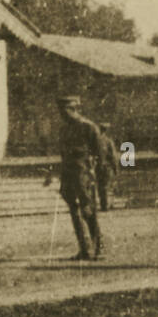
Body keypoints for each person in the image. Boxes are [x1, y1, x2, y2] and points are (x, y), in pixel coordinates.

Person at [55, 95, 104, 260]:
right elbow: (63, 154)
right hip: (68, 174)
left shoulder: (89, 127)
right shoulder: (64, 129)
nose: (62, 115)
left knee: (88, 210)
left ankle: (98, 248)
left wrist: (95, 174)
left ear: (74, 109)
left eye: (65, 111)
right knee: (74, 211)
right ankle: (84, 249)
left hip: (84, 174)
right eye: (61, 111)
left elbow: (100, 155)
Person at [96, 122, 120, 212]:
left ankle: (103, 204)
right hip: (106, 167)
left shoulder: (95, 141)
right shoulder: (108, 141)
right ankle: (105, 206)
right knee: (105, 186)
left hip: (98, 167)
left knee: (100, 186)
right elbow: (113, 156)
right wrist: (115, 168)